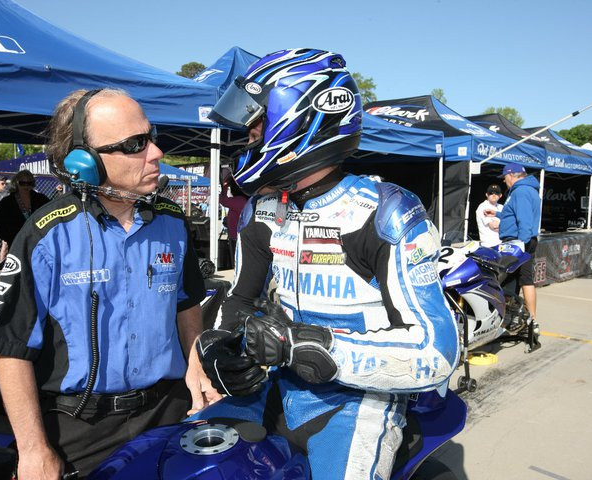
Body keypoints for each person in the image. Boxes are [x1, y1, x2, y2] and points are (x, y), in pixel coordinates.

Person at [194, 48, 459, 480]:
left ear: (298, 119)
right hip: (277, 387)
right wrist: (222, 348)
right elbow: (241, 299)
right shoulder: (260, 209)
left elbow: (438, 350)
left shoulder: (384, 211)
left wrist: (318, 347)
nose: (248, 136)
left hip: (360, 402)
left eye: (256, 122)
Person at [0, 88, 220, 479]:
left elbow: (186, 302)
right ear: (84, 161)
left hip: (170, 415)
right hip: (81, 430)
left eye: (151, 137)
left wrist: (197, 368)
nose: (156, 153)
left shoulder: (172, 221)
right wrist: (34, 450)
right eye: (135, 145)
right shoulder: (45, 234)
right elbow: (10, 348)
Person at [495, 162, 541, 321]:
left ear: (511, 175)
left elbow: (525, 221)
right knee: (513, 280)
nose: (503, 181)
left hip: (519, 242)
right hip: (520, 240)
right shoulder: (526, 190)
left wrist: (520, 244)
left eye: (504, 177)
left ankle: (531, 320)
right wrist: (499, 217)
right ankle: (513, 316)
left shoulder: (520, 192)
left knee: (524, 279)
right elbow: (515, 215)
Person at [0, 170, 49, 250]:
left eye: (29, 183)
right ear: (16, 183)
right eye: (22, 183)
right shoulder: (7, 202)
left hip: (39, 244)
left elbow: (51, 216)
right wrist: (9, 237)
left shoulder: (41, 199)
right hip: (16, 245)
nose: (26, 186)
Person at [218, 170, 248, 268]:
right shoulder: (243, 200)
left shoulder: (239, 200)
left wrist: (225, 187)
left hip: (236, 236)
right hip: (238, 235)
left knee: (237, 262)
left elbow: (222, 200)